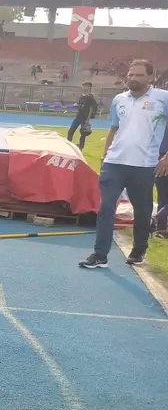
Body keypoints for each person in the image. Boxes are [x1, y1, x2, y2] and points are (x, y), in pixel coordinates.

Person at [79, 60, 168, 269]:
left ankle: (138, 250)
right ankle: (100, 254)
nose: (134, 79)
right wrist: (104, 155)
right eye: (131, 75)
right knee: (106, 207)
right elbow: (113, 129)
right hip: (115, 163)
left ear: (150, 77)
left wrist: (166, 158)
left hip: (144, 165)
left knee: (142, 211)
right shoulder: (119, 100)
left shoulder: (163, 98)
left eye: (139, 75)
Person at [68, 82, 98, 150]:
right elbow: (79, 104)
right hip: (78, 116)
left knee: (83, 133)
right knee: (71, 130)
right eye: (84, 86)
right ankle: (69, 144)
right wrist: (76, 104)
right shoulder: (81, 96)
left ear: (89, 87)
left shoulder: (91, 97)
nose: (84, 87)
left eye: (86, 86)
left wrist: (88, 119)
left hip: (85, 117)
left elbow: (91, 108)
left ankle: (81, 147)